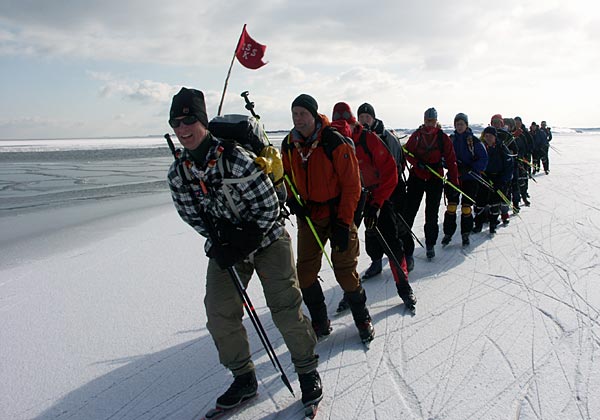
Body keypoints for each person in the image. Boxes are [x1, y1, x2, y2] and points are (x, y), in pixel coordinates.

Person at [166, 88, 322, 412]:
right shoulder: (179, 174)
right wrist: (223, 242)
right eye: (176, 123)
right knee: (219, 312)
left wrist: (242, 240)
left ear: (203, 122)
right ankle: (244, 377)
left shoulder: (235, 158)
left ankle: (307, 372)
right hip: (226, 249)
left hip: (268, 239)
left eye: (189, 120)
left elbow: (269, 206)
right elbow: (191, 215)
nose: (182, 129)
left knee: (285, 307)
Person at [281, 94, 374, 343]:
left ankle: (362, 318)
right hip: (310, 216)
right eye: (294, 114)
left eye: (302, 114)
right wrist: (292, 199)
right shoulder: (289, 143)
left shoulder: (333, 141)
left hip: (338, 213)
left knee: (345, 272)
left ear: (313, 115)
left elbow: (352, 185)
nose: (298, 119)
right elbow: (286, 175)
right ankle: (321, 321)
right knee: (305, 274)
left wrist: (345, 223)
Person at [331, 102, 416, 312]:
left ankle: (404, 288)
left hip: (376, 197)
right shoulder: (333, 142)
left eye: (348, 126)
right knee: (346, 249)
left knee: (392, 244)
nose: (345, 132)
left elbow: (390, 174)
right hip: (352, 200)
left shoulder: (369, 140)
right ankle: (350, 293)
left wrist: (376, 204)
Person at [355, 102, 411, 276]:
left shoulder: (387, 137)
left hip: (392, 188)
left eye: (367, 117)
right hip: (369, 191)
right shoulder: (357, 138)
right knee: (371, 227)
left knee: (398, 224)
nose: (364, 121)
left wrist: (387, 188)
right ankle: (376, 260)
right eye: (361, 118)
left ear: (374, 118)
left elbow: (394, 165)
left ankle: (407, 255)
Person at [403, 107, 459, 261]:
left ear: (436, 121)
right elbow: (407, 152)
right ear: (424, 120)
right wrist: (416, 162)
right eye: (428, 121)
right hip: (417, 177)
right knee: (410, 211)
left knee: (432, 213)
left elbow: (451, 160)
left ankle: (430, 244)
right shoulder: (417, 136)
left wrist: (454, 182)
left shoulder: (443, 138)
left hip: (435, 177)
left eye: (432, 121)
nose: (430, 124)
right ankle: (404, 243)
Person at [441, 113, 488, 247]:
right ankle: (448, 233)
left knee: (466, 208)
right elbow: (443, 158)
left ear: (466, 125)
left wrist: (470, 168)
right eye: (457, 124)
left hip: (470, 178)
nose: (459, 126)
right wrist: (451, 166)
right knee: (451, 207)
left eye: (462, 124)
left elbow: (483, 159)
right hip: (453, 178)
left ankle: (465, 234)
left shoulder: (474, 141)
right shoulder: (451, 140)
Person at [473, 126, 514, 234]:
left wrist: (502, 181)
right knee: (480, 203)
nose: (488, 138)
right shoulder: (481, 147)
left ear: (495, 137)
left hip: (497, 179)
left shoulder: (502, 148)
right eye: (486, 136)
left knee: (494, 203)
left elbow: (509, 166)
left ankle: (493, 224)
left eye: (490, 136)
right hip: (484, 177)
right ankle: (478, 224)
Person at [490, 114, 516, 225]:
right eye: (494, 122)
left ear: (501, 123)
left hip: (505, 169)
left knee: (505, 193)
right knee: (493, 196)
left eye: (498, 122)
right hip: (492, 170)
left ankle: (505, 214)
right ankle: (492, 216)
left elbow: (515, 151)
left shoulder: (507, 136)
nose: (496, 124)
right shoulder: (487, 134)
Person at [505, 118, 532, 208]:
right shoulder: (505, 135)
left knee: (521, 182)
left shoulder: (521, 135)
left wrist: (520, 157)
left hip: (519, 162)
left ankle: (522, 198)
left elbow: (525, 148)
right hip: (507, 164)